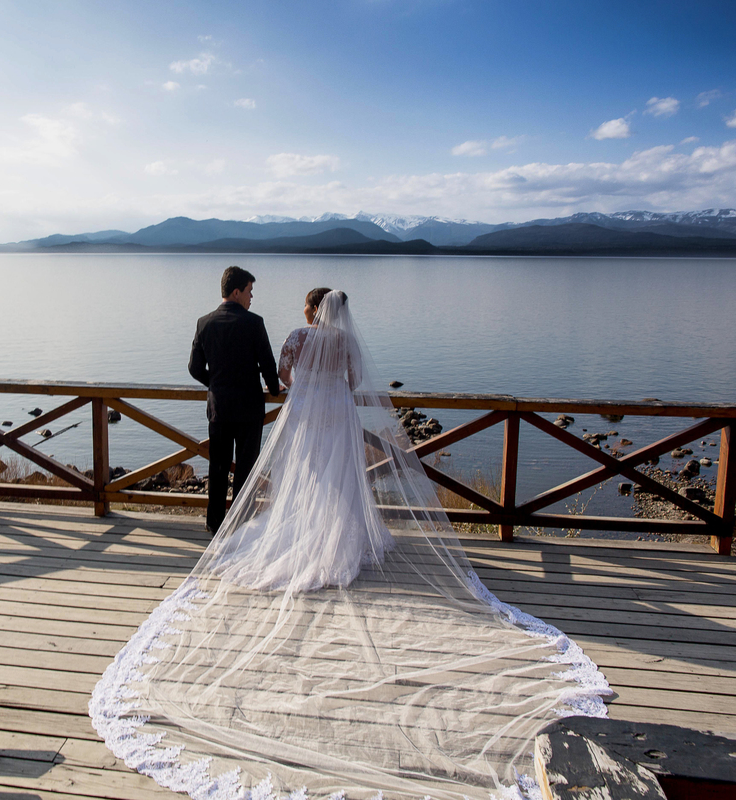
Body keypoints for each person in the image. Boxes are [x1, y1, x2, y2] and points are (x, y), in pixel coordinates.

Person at [93, 290, 611, 800]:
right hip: (338, 415)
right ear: (341, 314)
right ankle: (341, 537)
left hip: (305, 416)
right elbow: (354, 381)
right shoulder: (346, 345)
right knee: (343, 478)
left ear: (310, 312)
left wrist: (301, 385)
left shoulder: (296, 337)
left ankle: (306, 534)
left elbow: (286, 378)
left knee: (308, 477)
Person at [188, 266, 280, 534]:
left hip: (219, 409)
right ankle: (240, 525)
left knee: (217, 467)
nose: (252, 298)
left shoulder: (204, 323)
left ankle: (214, 524)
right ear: (237, 292)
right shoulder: (254, 323)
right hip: (250, 409)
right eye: (250, 291)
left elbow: (194, 368)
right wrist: (274, 389)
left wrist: (215, 383)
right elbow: (268, 366)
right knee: (246, 469)